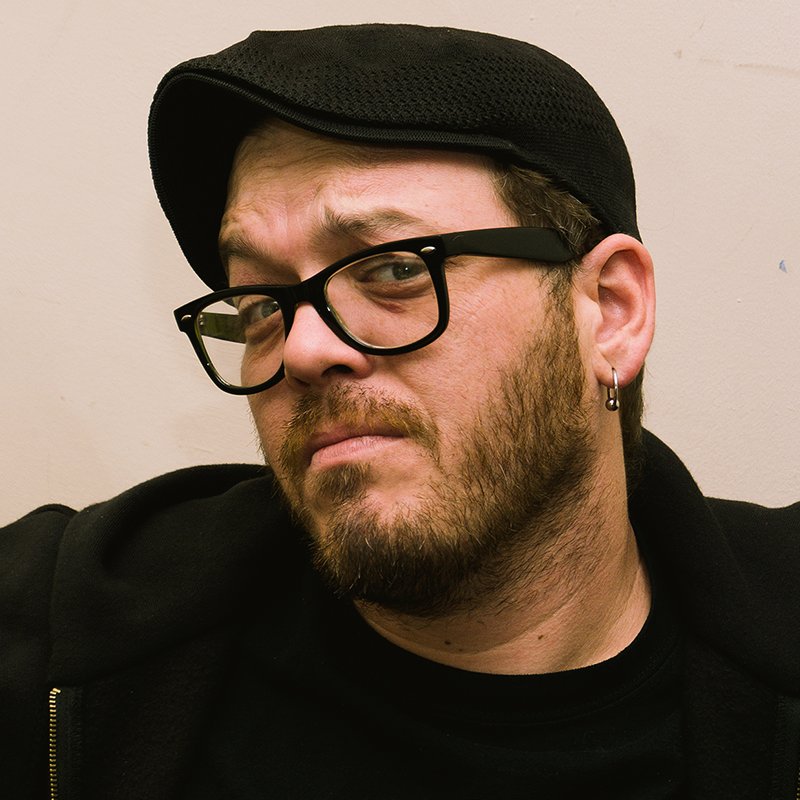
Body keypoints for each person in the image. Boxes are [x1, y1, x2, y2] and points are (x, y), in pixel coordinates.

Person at [2, 23, 798, 799]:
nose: (303, 349)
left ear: (610, 311)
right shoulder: (65, 633)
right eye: (260, 305)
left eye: (392, 270)